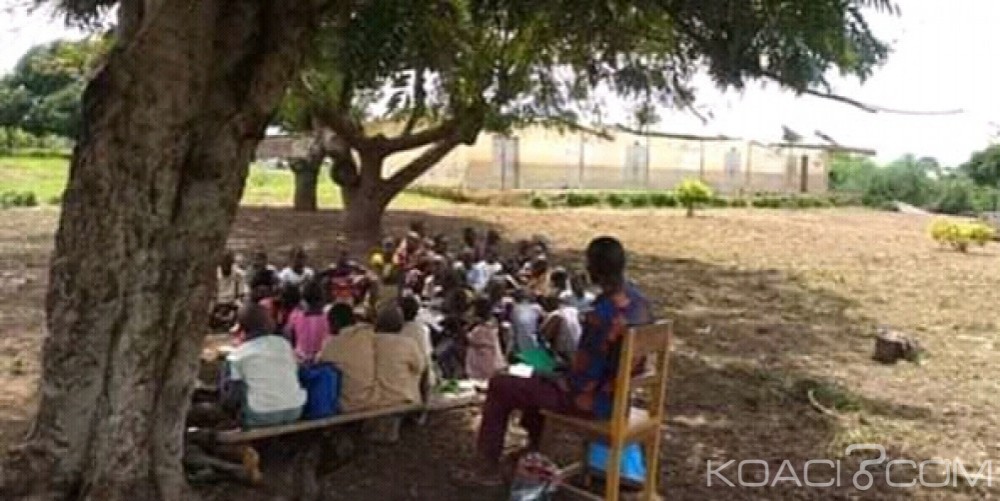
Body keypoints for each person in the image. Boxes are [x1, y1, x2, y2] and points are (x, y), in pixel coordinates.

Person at [468, 236, 653, 484]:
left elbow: (581, 382)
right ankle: (534, 449)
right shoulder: (640, 301)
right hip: (620, 397)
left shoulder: (602, 315)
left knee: (502, 384)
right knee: (535, 380)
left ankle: (486, 468)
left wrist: (552, 374)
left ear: (594, 269)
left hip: (593, 402)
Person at [224, 304, 307, 428]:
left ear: (241, 328)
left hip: (259, 415)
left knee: (234, 380)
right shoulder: (284, 344)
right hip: (295, 410)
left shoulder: (237, 355)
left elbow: (233, 397)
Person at [318, 308, 379, 412]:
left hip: (348, 405)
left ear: (335, 322)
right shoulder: (369, 334)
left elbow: (320, 364)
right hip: (373, 400)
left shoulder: (332, 345)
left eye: (329, 322)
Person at [372, 304, 427, 407]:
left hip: (375, 400)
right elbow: (420, 367)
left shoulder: (370, 341)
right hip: (403, 398)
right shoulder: (408, 343)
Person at [284, 279, 331, 363]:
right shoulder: (328, 316)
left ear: (303, 298)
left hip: (300, 359)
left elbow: (289, 337)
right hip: (322, 360)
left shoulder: (295, 315)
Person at [465, 298, 506, 380]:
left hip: (483, 361)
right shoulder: (491, 323)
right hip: (486, 358)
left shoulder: (483, 328)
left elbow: (476, 341)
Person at [539, 295, 582, 365]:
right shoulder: (574, 310)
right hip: (579, 342)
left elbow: (547, 335)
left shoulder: (555, 314)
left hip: (565, 347)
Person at [210, 250, 246, 331]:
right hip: (218, 301)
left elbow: (241, 293)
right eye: (224, 262)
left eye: (228, 262)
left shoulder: (238, 274)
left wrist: (238, 300)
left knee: (243, 309)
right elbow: (213, 292)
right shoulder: (214, 274)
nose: (226, 264)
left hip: (232, 301)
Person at [509, 289, 542, 354]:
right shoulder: (537, 308)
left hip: (521, 342)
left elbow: (514, 330)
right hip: (534, 340)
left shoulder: (515, 310)